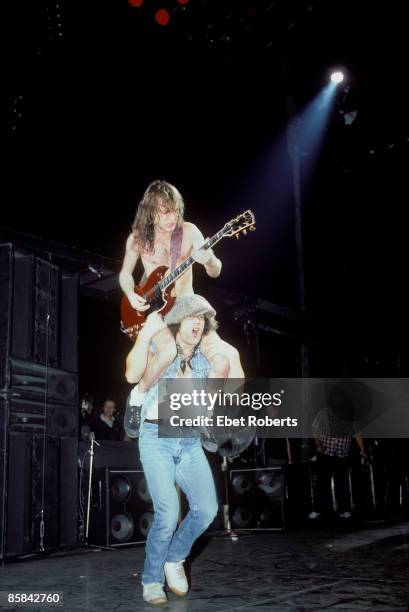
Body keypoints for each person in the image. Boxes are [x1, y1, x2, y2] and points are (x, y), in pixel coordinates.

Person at [125, 295, 223, 605]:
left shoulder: (205, 363)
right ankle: (152, 580)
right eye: (191, 316)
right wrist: (143, 337)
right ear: (178, 320)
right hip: (156, 436)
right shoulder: (161, 348)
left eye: (201, 319)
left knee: (207, 510)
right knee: (168, 513)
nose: (196, 322)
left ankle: (175, 557)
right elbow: (131, 372)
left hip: (189, 440)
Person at [119, 179, 244, 400]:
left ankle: (229, 416)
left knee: (230, 356)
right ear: (150, 211)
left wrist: (208, 260)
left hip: (187, 308)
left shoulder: (189, 231)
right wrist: (130, 294)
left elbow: (216, 271)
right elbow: (125, 275)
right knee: (166, 352)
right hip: (158, 314)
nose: (172, 218)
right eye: (165, 212)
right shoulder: (137, 239)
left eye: (175, 212)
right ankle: (138, 396)